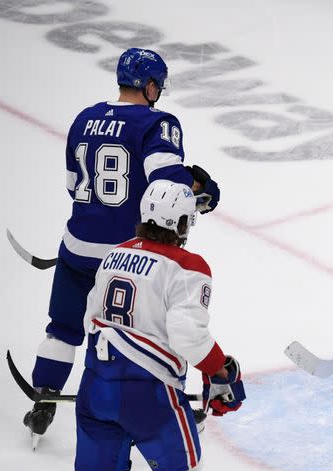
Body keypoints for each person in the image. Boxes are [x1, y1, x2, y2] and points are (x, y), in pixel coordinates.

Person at [25, 48, 221, 447]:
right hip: (126, 258)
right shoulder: (157, 123)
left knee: (63, 329)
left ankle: (43, 397)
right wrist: (202, 189)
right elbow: (168, 184)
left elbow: (71, 183)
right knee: (147, 332)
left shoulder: (84, 118)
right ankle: (159, 404)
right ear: (150, 86)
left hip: (76, 245)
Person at [43, 180, 244, 471]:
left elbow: (91, 316)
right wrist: (220, 370)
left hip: (94, 387)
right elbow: (187, 336)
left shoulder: (114, 255)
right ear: (182, 222)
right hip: (147, 394)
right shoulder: (189, 265)